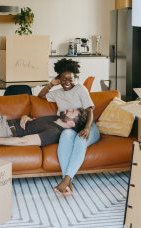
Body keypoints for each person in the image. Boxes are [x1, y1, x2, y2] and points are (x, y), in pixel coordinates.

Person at [38, 58, 100, 196]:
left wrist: (88, 128)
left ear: (75, 78)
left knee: (80, 139)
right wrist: (51, 84)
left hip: (88, 127)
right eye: (63, 79)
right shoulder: (57, 93)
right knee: (65, 135)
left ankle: (66, 180)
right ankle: (68, 183)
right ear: (59, 78)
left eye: (70, 79)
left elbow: (90, 110)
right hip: (70, 128)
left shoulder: (80, 89)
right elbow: (41, 96)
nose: (67, 83)